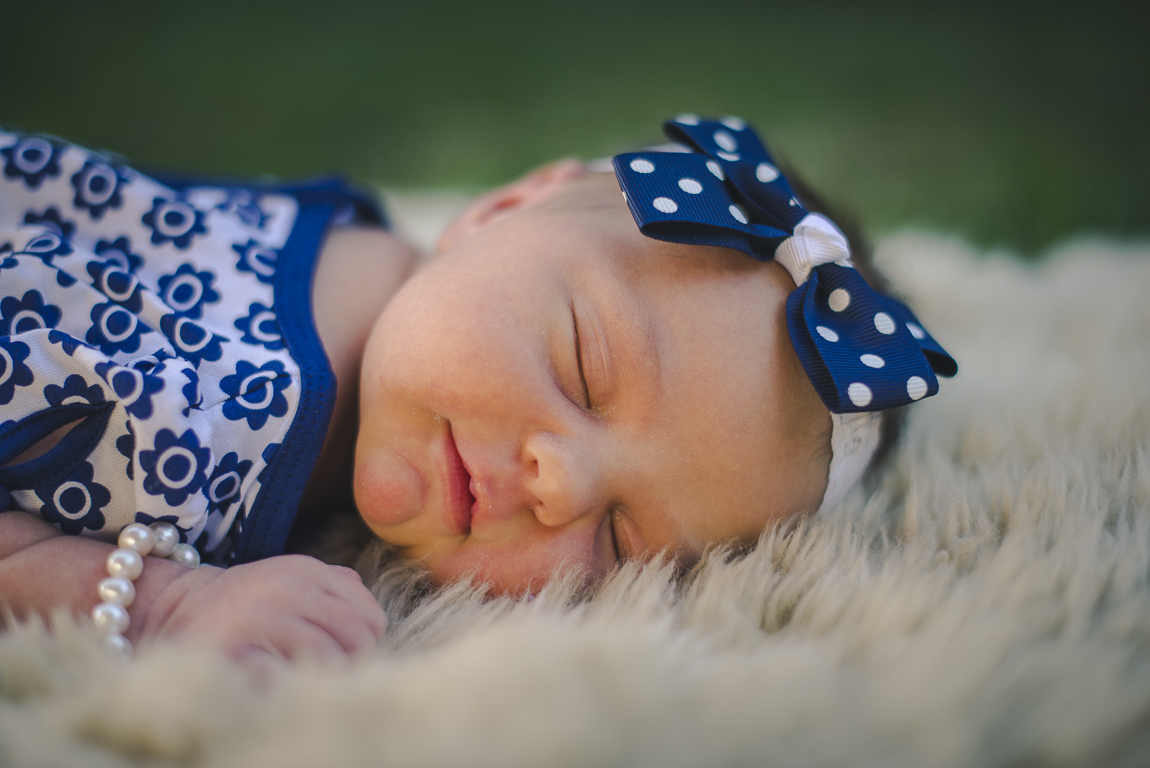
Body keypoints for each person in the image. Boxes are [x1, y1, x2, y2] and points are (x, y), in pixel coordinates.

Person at [0, 116, 954, 662]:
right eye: (586, 368)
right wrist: (151, 602)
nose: (562, 483)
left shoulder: (348, 248)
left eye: (619, 542)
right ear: (498, 208)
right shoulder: (206, 425)